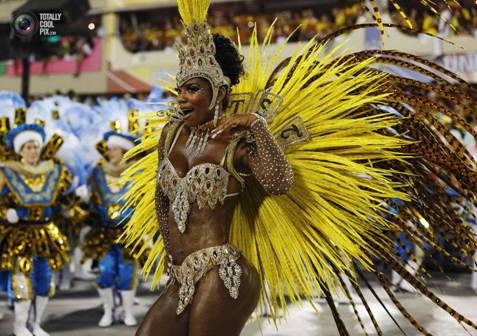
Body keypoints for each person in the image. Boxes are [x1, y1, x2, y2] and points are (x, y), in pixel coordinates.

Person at [122, 1, 477, 335]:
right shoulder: (170, 135)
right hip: (181, 276)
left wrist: (258, 126)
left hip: (222, 273)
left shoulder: (235, 142)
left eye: (193, 88)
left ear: (220, 91)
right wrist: (171, 256)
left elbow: (280, 182)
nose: (182, 97)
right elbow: (161, 199)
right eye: (181, 88)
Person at [0, 109, 82, 336]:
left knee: (45, 282)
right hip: (19, 235)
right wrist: (6, 213)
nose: (33, 150)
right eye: (28, 147)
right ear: (20, 151)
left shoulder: (54, 172)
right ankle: (19, 325)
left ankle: (35, 324)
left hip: (46, 233)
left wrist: (74, 205)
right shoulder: (8, 174)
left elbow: (64, 201)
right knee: (21, 281)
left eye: (35, 146)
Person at [81, 119, 139, 328]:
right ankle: (108, 310)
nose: (110, 152)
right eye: (109, 149)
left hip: (128, 234)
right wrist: (86, 202)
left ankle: (127, 311)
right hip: (104, 233)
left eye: (114, 148)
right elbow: (92, 201)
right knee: (105, 271)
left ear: (124, 150)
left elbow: (143, 203)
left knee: (127, 272)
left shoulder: (136, 173)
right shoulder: (98, 172)